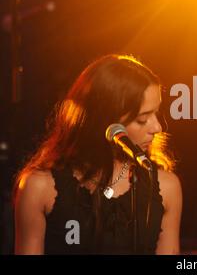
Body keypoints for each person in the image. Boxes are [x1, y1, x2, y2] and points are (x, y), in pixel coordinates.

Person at [13, 54, 182, 254]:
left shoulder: (166, 187)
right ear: (105, 122)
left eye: (156, 112)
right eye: (142, 119)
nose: (157, 127)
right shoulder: (39, 187)